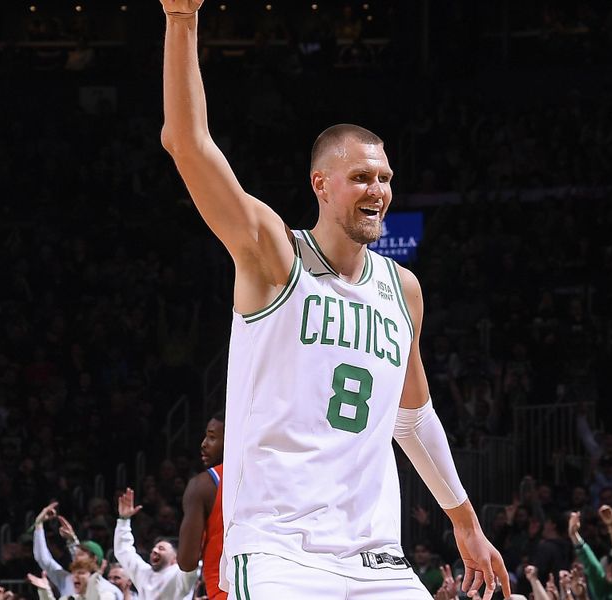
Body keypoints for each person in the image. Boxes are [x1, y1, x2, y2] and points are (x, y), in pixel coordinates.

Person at [159, 2, 511, 599]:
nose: (378, 190)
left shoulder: (403, 291)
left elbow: (413, 417)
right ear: (321, 185)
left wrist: (466, 523)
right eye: (362, 178)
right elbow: (187, 144)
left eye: (385, 178)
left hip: (376, 558)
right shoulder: (273, 255)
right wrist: (181, 18)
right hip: (277, 552)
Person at [113, 488, 197, 600]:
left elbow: (190, 566)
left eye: (161, 548)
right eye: (154, 548)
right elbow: (123, 551)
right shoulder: (144, 573)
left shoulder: (178, 575)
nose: (154, 550)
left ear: (175, 559)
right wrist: (124, 519)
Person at [177, 411, 226, 600]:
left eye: (212, 437)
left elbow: (187, 562)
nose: (204, 443)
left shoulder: (203, 485)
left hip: (225, 592)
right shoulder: (268, 477)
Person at [32, 502, 122, 600]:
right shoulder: (68, 580)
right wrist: (38, 525)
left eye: (81, 554)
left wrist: (72, 540)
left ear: (94, 559)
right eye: (75, 552)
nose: (75, 556)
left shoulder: (109, 590)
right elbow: (43, 559)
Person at [27, 557, 115, 600]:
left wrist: (94, 579)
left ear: (92, 576)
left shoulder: (107, 595)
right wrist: (44, 591)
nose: (75, 576)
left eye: (81, 573)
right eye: (73, 573)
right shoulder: (70, 598)